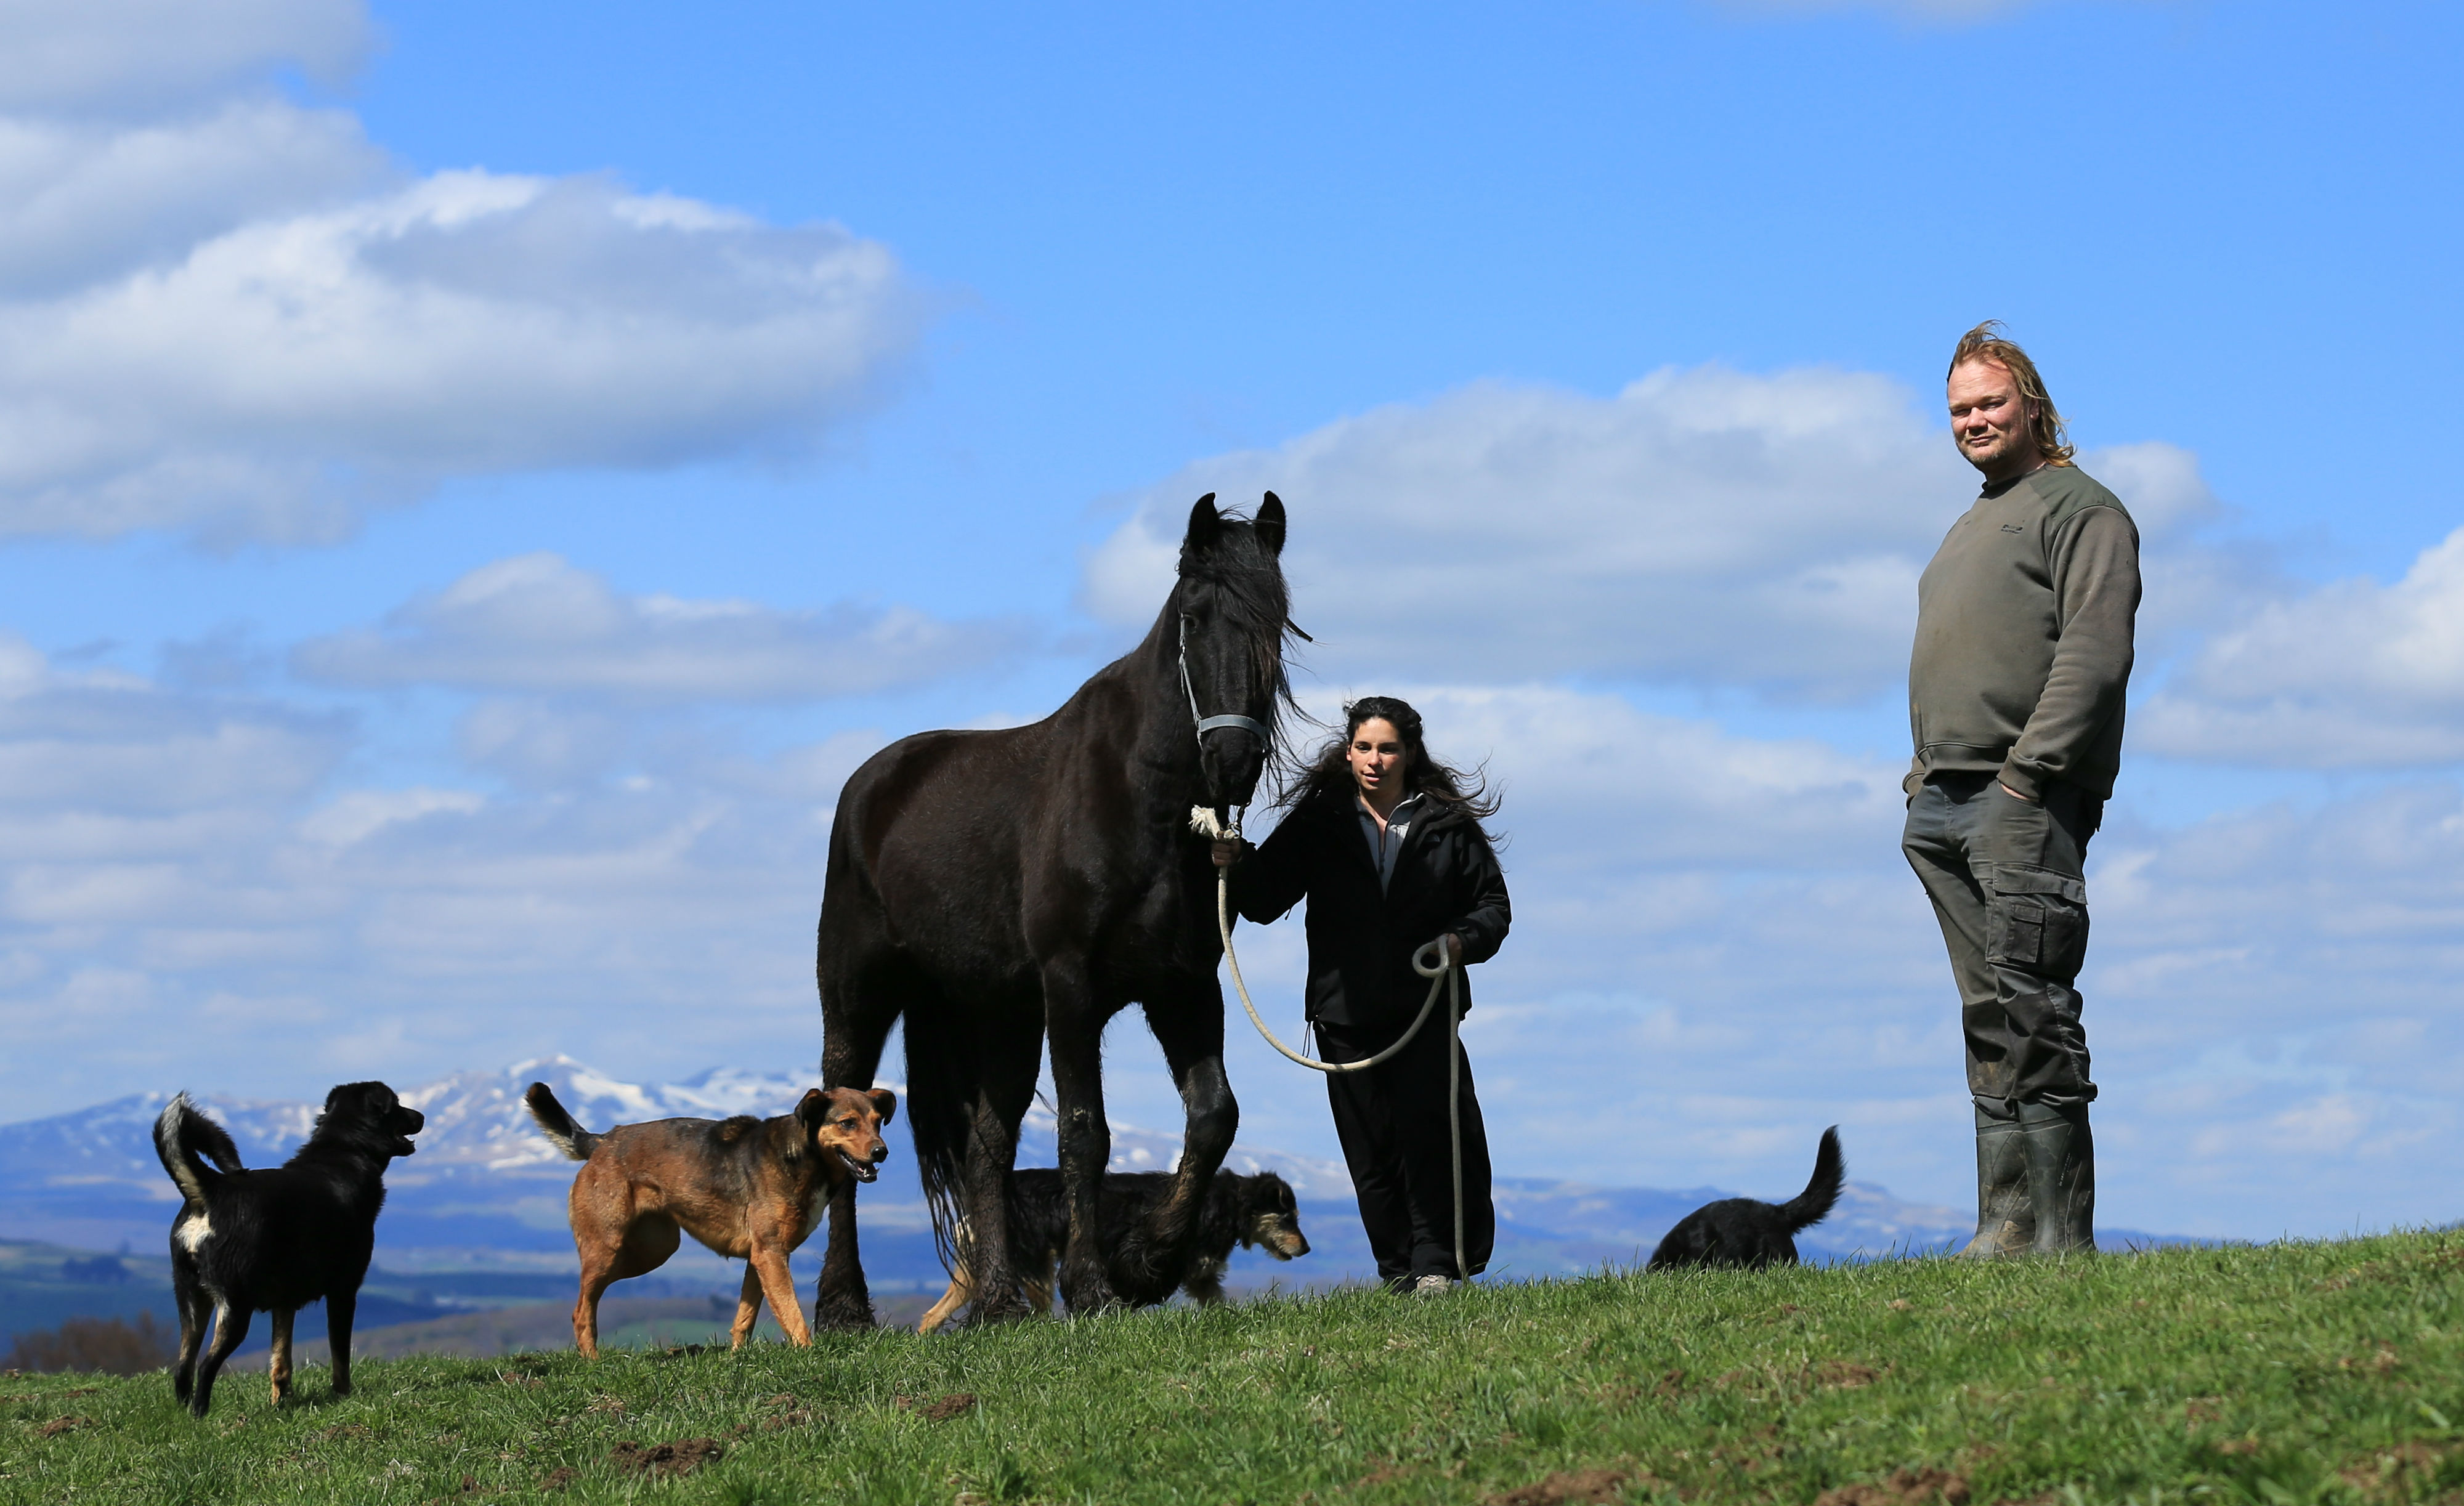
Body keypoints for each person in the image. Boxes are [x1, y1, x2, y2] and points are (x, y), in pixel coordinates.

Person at [1903, 323, 2140, 1257]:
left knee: (2034, 1004)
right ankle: (2004, 1227)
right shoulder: (1971, 519)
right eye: (1959, 409)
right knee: (1986, 1014)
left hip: (2022, 798)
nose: (1974, 421)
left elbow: (2094, 650)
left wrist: (2025, 776)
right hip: (1943, 800)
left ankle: (2062, 1239)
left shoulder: (2081, 507)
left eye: (1990, 403)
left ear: (2032, 404)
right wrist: (1922, 781)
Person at [1213, 697, 1510, 1294]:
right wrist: (1235, 862)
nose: (1375, 760)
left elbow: (1493, 908)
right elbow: (1265, 900)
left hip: (1423, 1006)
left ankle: (1435, 1264)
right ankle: (1397, 1270)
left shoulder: (1446, 823)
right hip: (1341, 1014)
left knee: (1432, 1134)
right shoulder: (1320, 821)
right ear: (1349, 751)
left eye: (1387, 748)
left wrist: (1459, 941)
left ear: (1409, 752)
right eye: (1364, 748)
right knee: (1369, 1150)